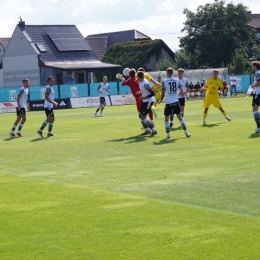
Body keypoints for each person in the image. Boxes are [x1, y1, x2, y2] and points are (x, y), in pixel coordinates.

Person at [160, 68, 191, 139]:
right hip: (176, 101)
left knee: (166, 118)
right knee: (180, 117)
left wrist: (161, 100)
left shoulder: (164, 81)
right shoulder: (177, 80)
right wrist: (176, 94)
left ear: (167, 73)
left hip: (168, 102)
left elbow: (163, 92)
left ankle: (168, 135)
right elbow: (181, 90)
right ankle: (186, 132)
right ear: (173, 73)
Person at [136, 71, 158, 137]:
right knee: (140, 115)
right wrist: (139, 92)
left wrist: (143, 97)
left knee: (143, 117)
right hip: (145, 101)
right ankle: (147, 130)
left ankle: (153, 131)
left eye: (137, 77)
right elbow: (144, 90)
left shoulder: (145, 83)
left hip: (148, 101)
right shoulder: (141, 82)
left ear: (139, 77)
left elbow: (152, 93)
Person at [250, 61, 260, 133]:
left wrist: (253, 85)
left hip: (258, 93)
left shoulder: (257, 73)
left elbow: (259, 83)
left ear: (255, 66)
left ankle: (259, 126)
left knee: (255, 110)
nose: (252, 67)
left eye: (252, 66)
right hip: (257, 92)